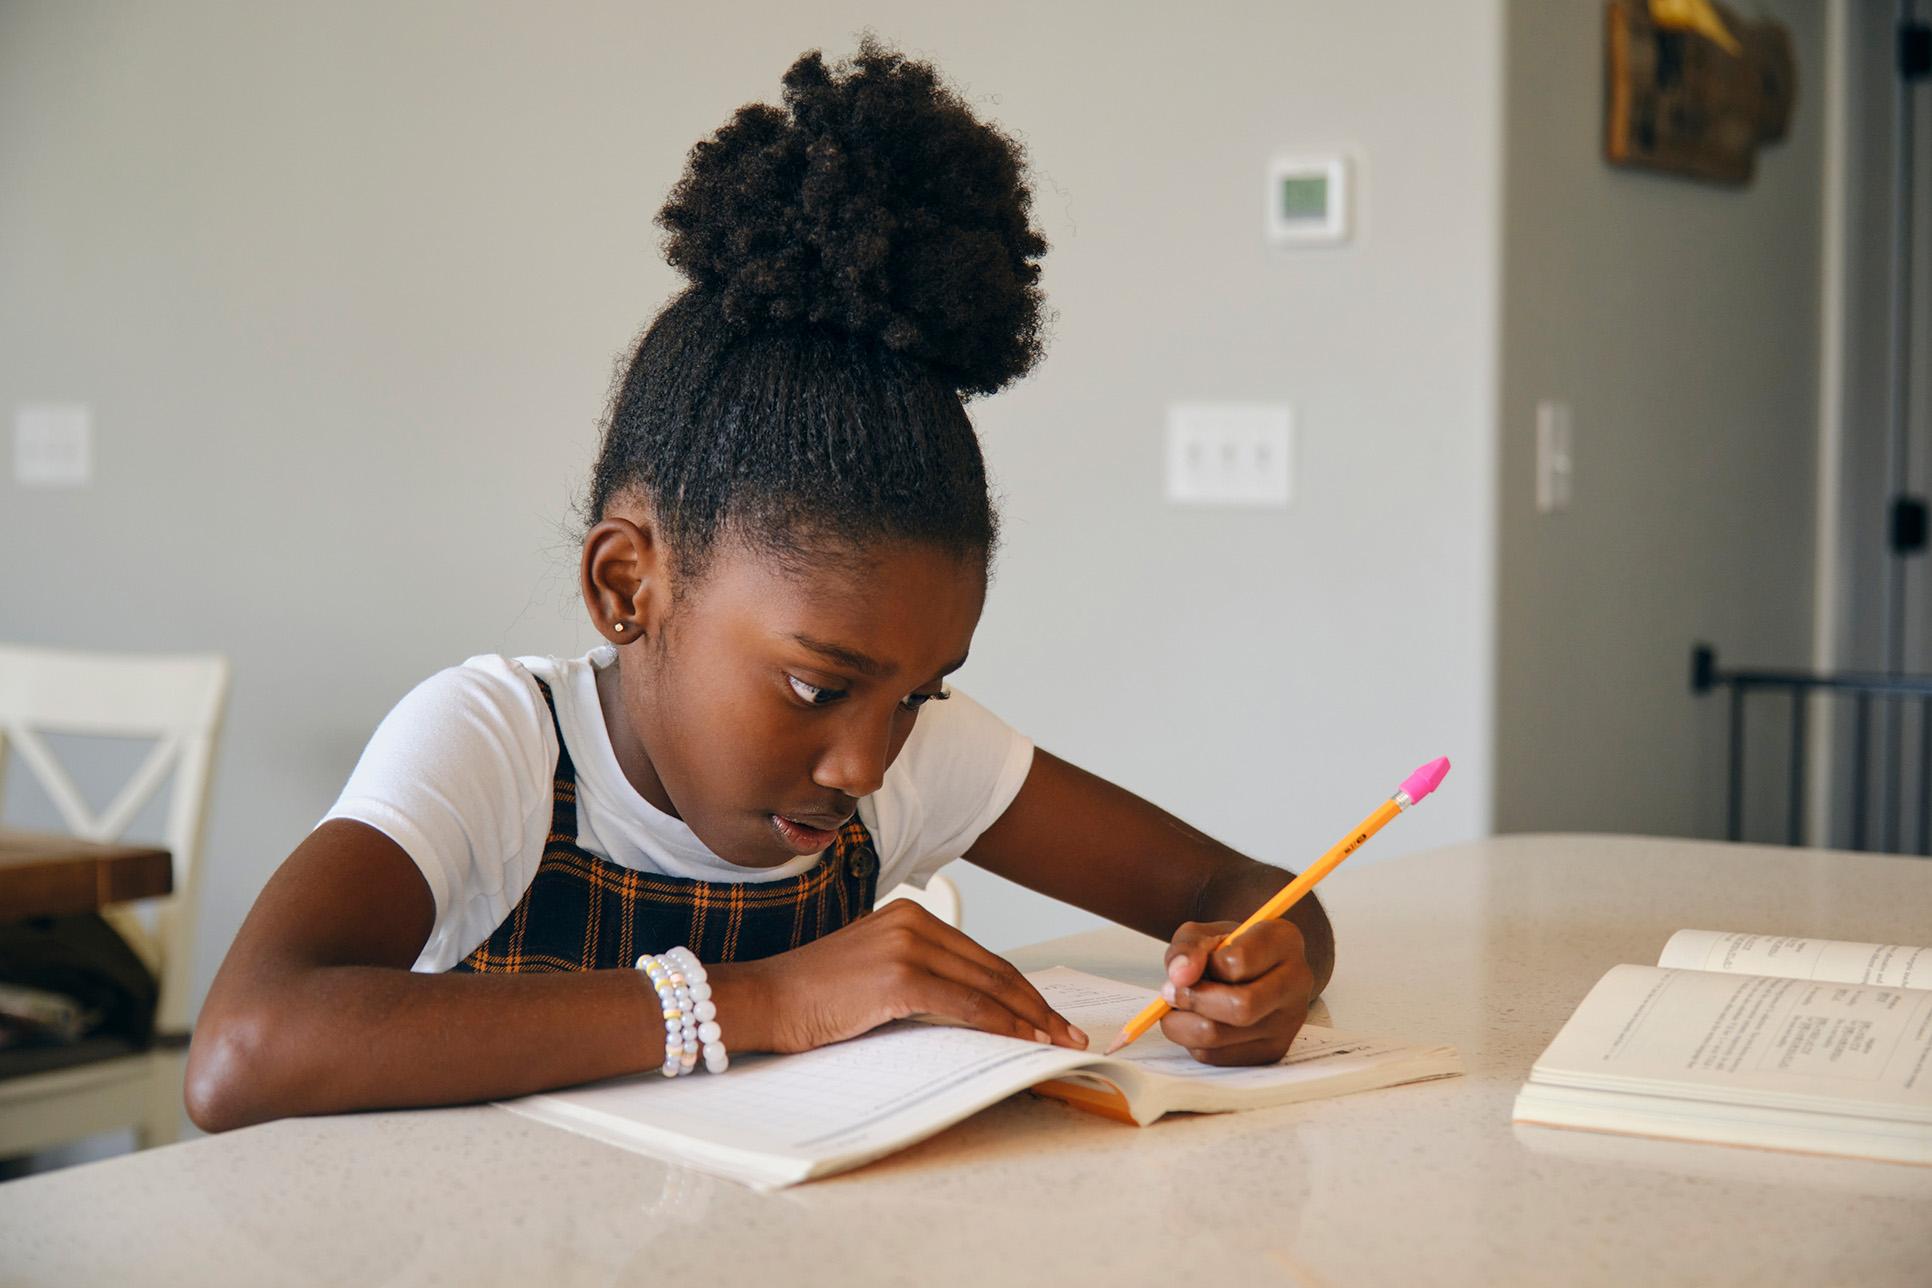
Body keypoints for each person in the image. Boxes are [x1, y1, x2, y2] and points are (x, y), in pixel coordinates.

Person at [184, 38, 1332, 1132]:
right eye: (812, 685)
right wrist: (769, 997)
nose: (867, 762)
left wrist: (1260, 967)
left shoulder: (902, 755)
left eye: (918, 695)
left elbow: (1249, 884)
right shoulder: (499, 750)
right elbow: (244, 1047)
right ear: (629, 584)